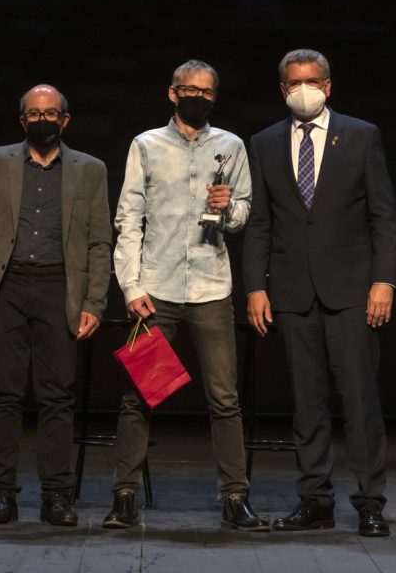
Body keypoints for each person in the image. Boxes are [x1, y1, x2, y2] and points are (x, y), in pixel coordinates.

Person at [243, 49, 396, 537]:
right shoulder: (264, 142)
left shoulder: (361, 134)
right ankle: (315, 500)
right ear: (282, 88)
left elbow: (383, 216)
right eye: (294, 82)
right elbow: (261, 225)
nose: (303, 88)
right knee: (306, 404)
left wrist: (384, 280)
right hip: (292, 292)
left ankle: (370, 501)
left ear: (328, 86)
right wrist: (254, 286)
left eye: (311, 80)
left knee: (359, 400)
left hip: (353, 289)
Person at [106, 60, 268, 532]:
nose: (197, 96)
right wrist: (132, 286)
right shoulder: (147, 145)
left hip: (210, 289)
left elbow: (243, 215)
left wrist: (229, 208)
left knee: (224, 398)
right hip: (157, 291)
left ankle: (235, 498)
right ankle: (125, 496)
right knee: (140, 396)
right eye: (188, 89)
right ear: (172, 93)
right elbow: (128, 219)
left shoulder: (230, 146)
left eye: (206, 91)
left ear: (214, 97)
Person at [0, 84, 112, 526]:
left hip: (61, 289)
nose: (43, 120)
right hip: (6, 288)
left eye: (51, 113)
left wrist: (95, 301)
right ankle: (2, 493)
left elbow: (100, 241)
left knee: (58, 396)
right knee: (3, 393)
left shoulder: (90, 169)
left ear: (66, 119)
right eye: (34, 114)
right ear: (22, 121)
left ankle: (57, 495)